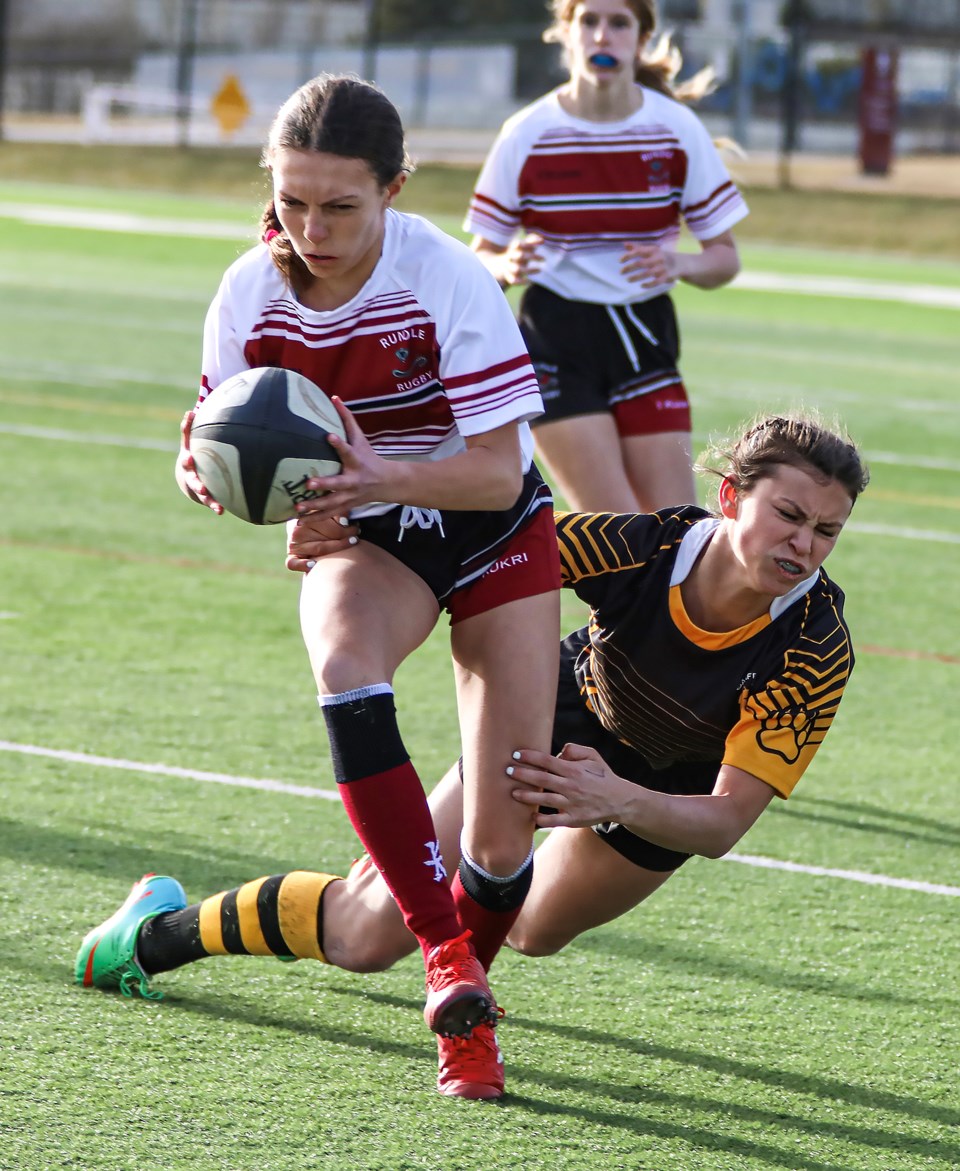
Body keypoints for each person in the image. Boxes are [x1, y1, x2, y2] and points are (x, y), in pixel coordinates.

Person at [77, 413, 869, 1092]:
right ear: (730, 497)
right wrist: (344, 525)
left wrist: (615, 798)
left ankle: (463, 951)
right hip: (560, 709)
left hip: (665, 789)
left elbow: (725, 820)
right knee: (366, 933)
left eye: (825, 530)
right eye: (788, 514)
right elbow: (483, 557)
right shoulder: (645, 546)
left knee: (528, 928)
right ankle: (157, 930)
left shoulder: (814, 645)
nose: (802, 544)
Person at [76, 74, 564, 1102]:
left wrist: (376, 473)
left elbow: (491, 467)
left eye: (340, 205)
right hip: (370, 536)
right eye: (293, 201)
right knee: (344, 660)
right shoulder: (251, 287)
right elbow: (216, 435)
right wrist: (211, 475)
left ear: (394, 189)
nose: (313, 227)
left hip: (492, 529)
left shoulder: (445, 277)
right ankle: (453, 980)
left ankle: (424, 951)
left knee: (504, 828)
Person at [465, 0, 749, 514]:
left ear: (641, 40)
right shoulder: (527, 133)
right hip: (554, 337)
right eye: (588, 22)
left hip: (645, 333)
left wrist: (678, 264)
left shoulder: (675, 129)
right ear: (565, 35)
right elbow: (477, 259)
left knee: (676, 532)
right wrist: (505, 265)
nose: (602, 36)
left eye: (619, 23)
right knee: (618, 543)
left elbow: (725, 259)